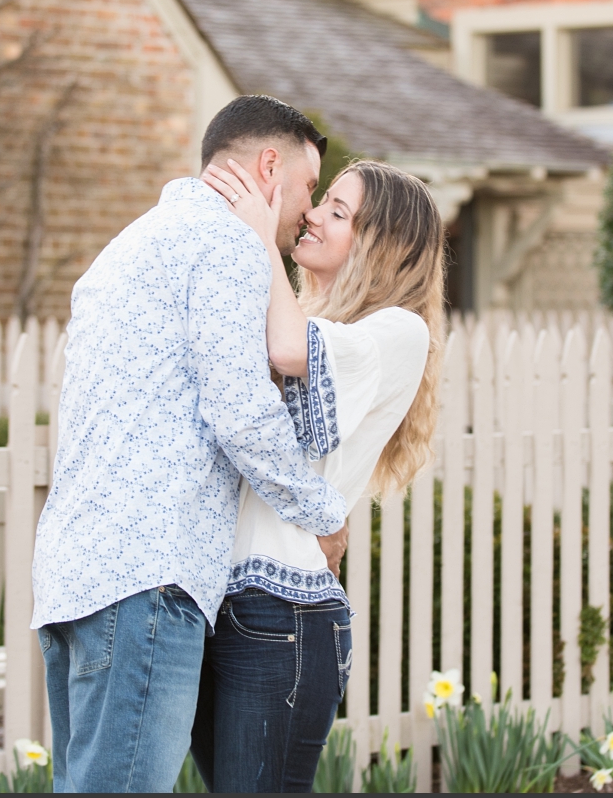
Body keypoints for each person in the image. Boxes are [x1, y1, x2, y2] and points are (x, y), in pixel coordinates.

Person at [30, 96, 352, 793]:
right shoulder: (227, 242)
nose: (306, 210)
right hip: (148, 575)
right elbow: (241, 410)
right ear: (270, 167)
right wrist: (323, 511)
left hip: (72, 575)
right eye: (306, 188)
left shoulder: (130, 244)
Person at [190, 157, 447, 793]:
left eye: (339, 212)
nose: (311, 215)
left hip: (282, 618)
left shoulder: (399, 332)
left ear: (382, 248)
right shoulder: (297, 310)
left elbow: (289, 350)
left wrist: (259, 234)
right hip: (212, 601)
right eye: (322, 200)